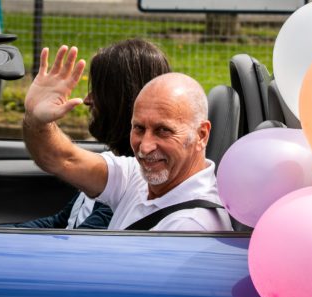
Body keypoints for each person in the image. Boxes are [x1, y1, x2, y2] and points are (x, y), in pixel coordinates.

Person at [0, 39, 171, 229]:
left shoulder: (136, 183)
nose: (87, 99)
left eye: (99, 91)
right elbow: (61, 222)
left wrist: (37, 118)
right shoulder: (110, 167)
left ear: (122, 99)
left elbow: (72, 240)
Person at [22, 45, 233, 231]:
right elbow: (61, 158)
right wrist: (36, 119)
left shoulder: (190, 226)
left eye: (163, 131)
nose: (146, 146)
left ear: (201, 135)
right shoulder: (136, 176)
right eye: (139, 128)